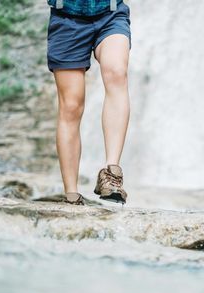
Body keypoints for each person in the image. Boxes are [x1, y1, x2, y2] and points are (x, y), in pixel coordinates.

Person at [46, 0, 131, 205]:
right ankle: (72, 194)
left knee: (117, 73)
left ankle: (111, 173)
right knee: (71, 106)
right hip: (67, 18)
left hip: (110, 13)